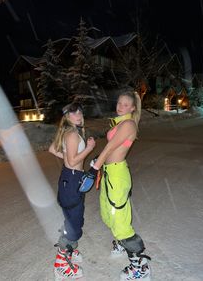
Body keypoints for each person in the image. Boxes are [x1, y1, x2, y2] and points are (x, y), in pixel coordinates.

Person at [88, 90, 151, 280]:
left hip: (117, 175)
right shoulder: (121, 122)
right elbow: (110, 149)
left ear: (132, 108)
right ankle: (121, 243)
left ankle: (140, 266)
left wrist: (94, 168)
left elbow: (111, 146)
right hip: (109, 173)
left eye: (125, 104)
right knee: (108, 213)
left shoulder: (129, 123)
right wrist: (99, 161)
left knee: (120, 219)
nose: (120, 106)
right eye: (119, 102)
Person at [49, 102, 96, 280]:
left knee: (73, 217)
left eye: (79, 111)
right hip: (72, 178)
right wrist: (90, 149)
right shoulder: (72, 135)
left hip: (70, 178)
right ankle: (61, 264)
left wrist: (71, 162)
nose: (78, 115)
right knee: (74, 223)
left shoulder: (70, 133)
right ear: (67, 117)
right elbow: (71, 161)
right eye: (73, 113)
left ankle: (69, 249)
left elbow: (53, 149)